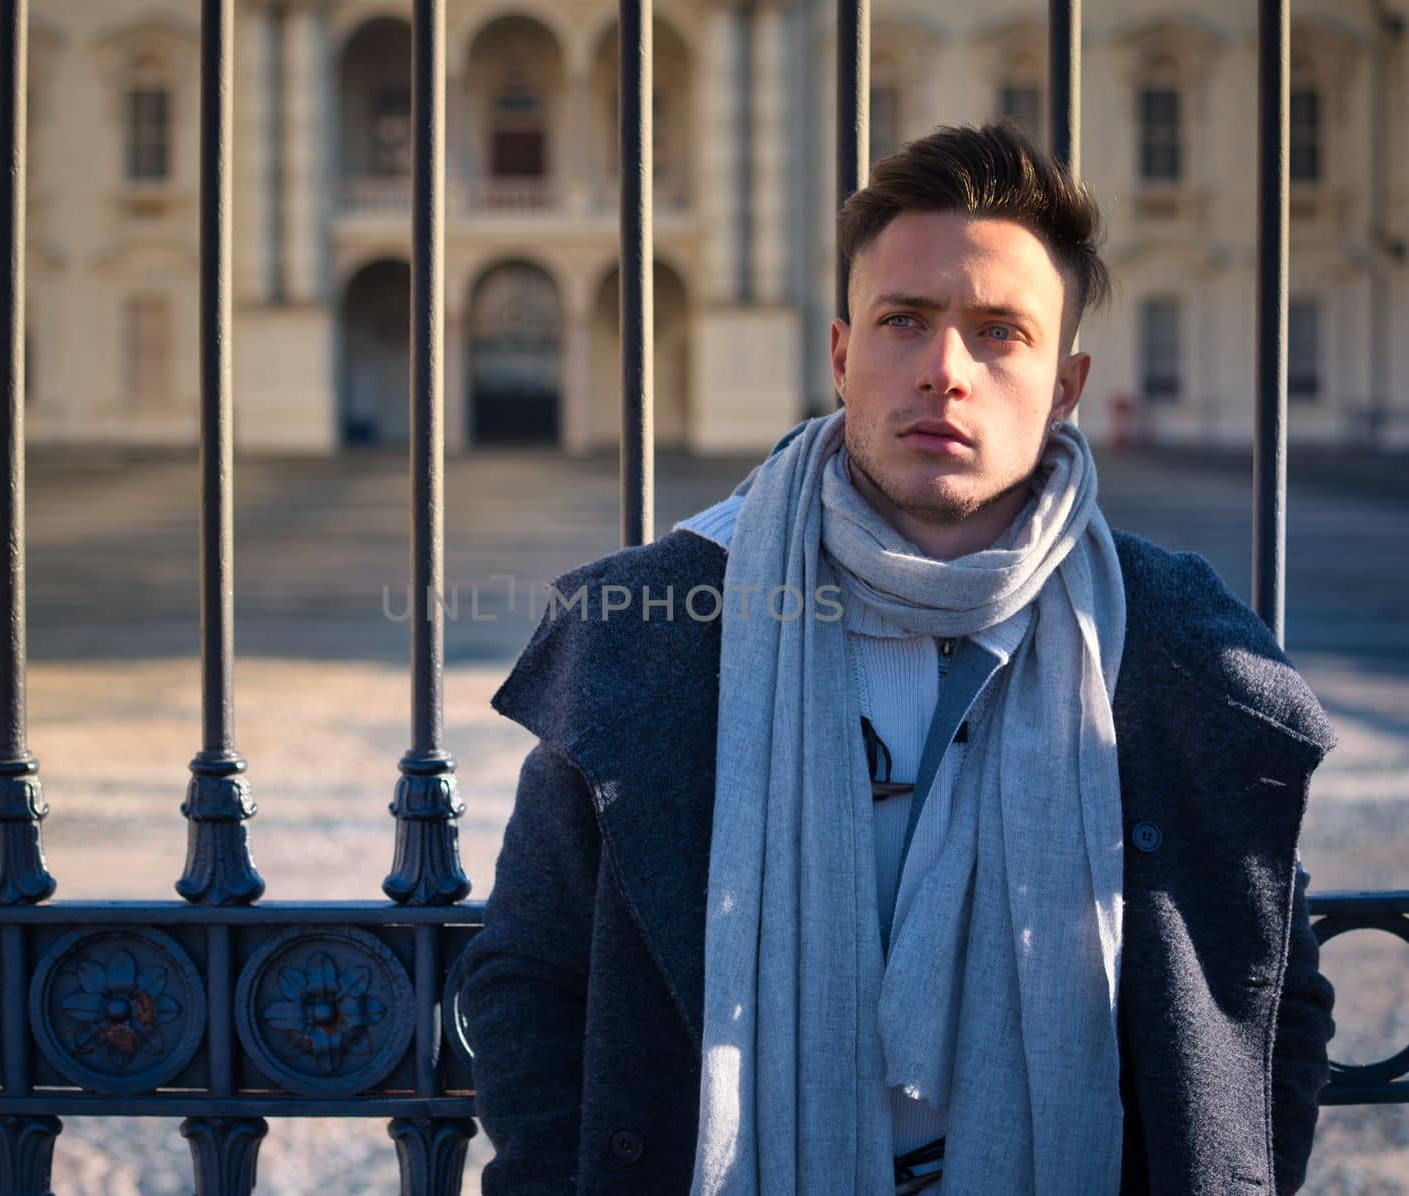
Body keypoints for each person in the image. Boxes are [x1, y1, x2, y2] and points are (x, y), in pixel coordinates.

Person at [461, 122, 1336, 1196]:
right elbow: (529, 977)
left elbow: (1269, 984)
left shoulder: (1177, 643)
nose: (944, 370)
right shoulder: (651, 624)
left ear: (1065, 384)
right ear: (840, 354)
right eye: (905, 321)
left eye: (998, 331)